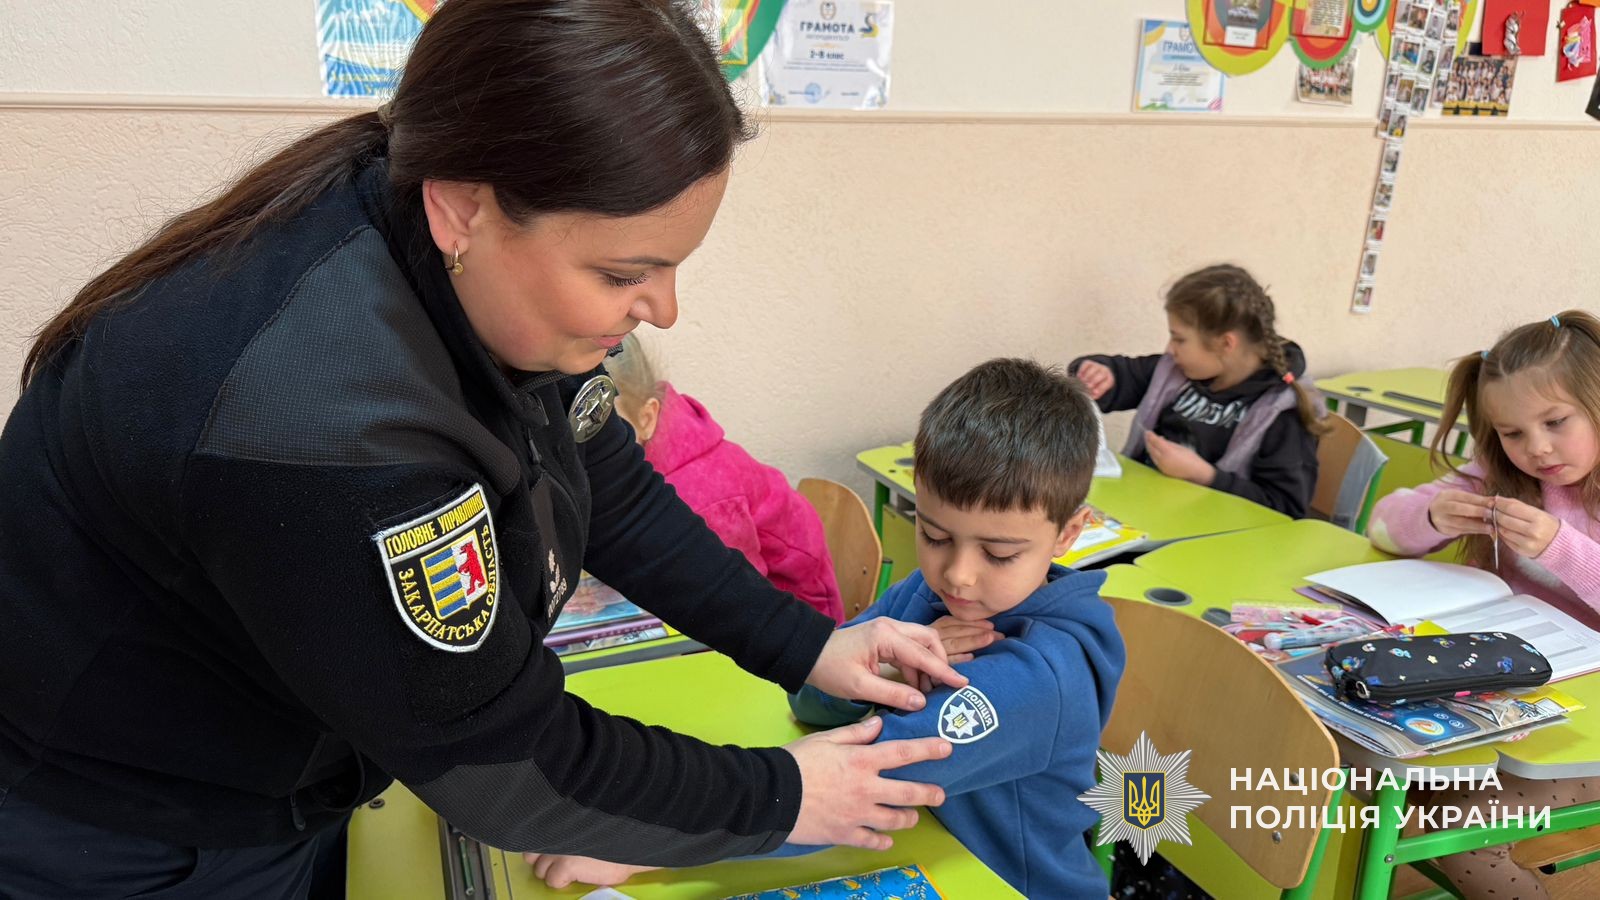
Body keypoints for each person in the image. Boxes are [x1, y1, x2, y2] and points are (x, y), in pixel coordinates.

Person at [0, 2, 964, 896]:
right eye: (627, 272)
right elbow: (501, 759)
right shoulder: (323, 419)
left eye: (672, 267)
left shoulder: (463, 266)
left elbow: (605, 478)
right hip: (130, 827)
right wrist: (786, 796)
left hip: (285, 756)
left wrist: (805, 645)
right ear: (466, 206)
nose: (662, 310)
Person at [526, 359, 1126, 898]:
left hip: (1009, 885)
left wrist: (641, 842)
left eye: (998, 554)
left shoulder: (1041, 675)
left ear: (1070, 534)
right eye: (935, 536)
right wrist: (880, 674)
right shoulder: (927, 594)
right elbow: (809, 699)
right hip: (928, 853)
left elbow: (858, 786)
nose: (959, 576)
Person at [1368, 310, 1600, 899]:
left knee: (1465, 830)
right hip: (1503, 694)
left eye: (1555, 421)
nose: (1537, 449)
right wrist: (1431, 515)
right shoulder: (1499, 473)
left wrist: (1559, 548)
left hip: (1582, 732)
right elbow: (1382, 524)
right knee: (1363, 770)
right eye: (1513, 433)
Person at [608, 333, 844, 622]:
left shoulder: (703, 499)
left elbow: (739, 597)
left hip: (796, 616)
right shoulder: (645, 427)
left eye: (608, 427)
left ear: (646, 418)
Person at [1070, 263, 1329, 517]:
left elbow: (1285, 509)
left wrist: (1204, 476)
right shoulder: (1175, 371)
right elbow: (1124, 375)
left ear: (1226, 343)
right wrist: (1101, 373)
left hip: (1213, 541)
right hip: (1145, 514)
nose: (1170, 349)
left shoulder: (1282, 410)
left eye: (1179, 338)